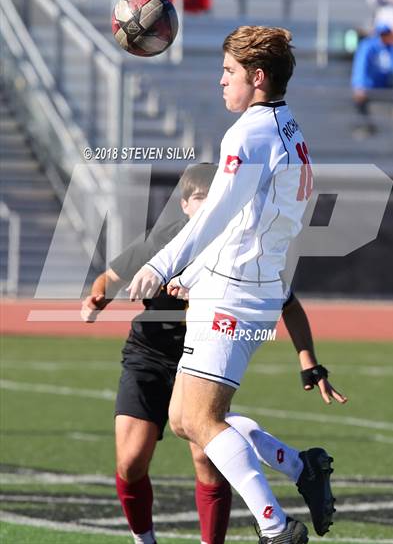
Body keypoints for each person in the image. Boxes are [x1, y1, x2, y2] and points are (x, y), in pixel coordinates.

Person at [127, 26, 346, 543]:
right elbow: (251, 219)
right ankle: (300, 468)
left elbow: (217, 216)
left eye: (228, 72)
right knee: (184, 418)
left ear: (258, 77)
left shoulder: (249, 133)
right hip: (251, 285)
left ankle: (275, 527)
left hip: (236, 291)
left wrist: (164, 264)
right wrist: (194, 274)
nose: (220, 81)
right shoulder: (287, 125)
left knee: (203, 419)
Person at [82, 162, 346, 544]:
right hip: (150, 355)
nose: (211, 208)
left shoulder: (239, 247)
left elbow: (287, 302)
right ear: (186, 205)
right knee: (131, 461)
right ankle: (146, 539)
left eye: (218, 199)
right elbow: (111, 277)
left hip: (205, 350)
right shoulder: (163, 240)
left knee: (208, 455)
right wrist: (98, 299)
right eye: (202, 199)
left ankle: (272, 513)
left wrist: (309, 361)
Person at [351, 22, 393, 137]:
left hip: (387, 82)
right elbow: (361, 66)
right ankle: (365, 126)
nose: (385, 36)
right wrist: (359, 86)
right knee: (359, 99)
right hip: (370, 84)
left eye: (387, 34)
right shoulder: (368, 46)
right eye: (382, 34)